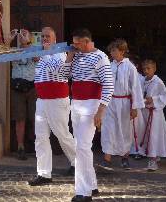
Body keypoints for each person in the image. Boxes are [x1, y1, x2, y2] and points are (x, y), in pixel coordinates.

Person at [63, 28, 113, 202]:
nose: (74, 46)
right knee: (82, 147)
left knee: (82, 147)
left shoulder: (101, 57)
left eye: (77, 43)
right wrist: (69, 57)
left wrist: (101, 110)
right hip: (76, 103)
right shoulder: (76, 55)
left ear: (86, 41)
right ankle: (91, 185)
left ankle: (84, 192)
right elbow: (63, 76)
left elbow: (108, 85)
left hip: (91, 104)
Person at [28, 27, 76, 186]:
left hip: (57, 100)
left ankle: (79, 163)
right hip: (42, 100)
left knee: (62, 134)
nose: (44, 39)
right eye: (42, 36)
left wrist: (46, 53)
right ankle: (44, 174)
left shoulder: (59, 53)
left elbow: (60, 72)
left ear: (55, 39)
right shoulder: (41, 54)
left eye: (48, 36)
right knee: (40, 137)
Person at [98, 39, 144, 171]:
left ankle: (125, 157)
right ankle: (107, 159)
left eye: (114, 50)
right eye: (111, 50)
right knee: (108, 129)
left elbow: (135, 87)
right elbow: (103, 84)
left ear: (122, 51)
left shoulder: (130, 67)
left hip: (124, 102)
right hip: (110, 101)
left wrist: (135, 107)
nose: (111, 53)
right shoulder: (108, 66)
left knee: (124, 129)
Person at [8, 29, 37, 160]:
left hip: (32, 87)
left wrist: (29, 43)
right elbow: (0, 53)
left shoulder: (35, 49)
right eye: (20, 36)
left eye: (24, 35)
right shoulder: (14, 51)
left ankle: (38, 146)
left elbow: (38, 58)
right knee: (20, 119)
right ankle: (20, 147)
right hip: (18, 88)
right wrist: (9, 40)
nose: (22, 38)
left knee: (35, 118)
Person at [139, 59, 166, 171]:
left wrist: (153, 99)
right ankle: (152, 153)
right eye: (144, 69)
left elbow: (165, 96)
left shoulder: (158, 82)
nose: (146, 71)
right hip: (144, 112)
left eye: (149, 68)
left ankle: (152, 160)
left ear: (154, 69)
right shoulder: (142, 80)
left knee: (153, 135)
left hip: (154, 113)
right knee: (145, 134)